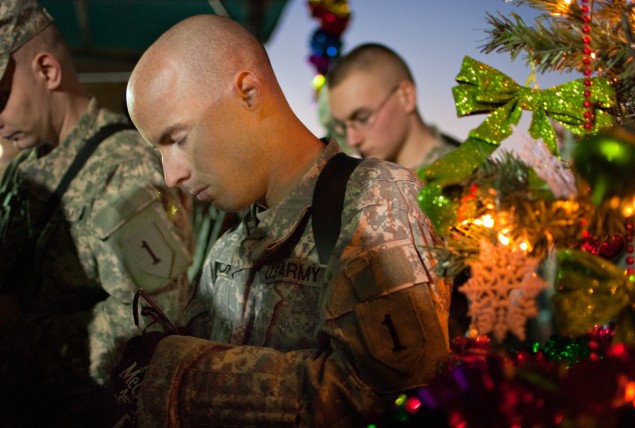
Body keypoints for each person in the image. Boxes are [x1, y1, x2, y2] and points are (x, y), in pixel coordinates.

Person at [121, 13, 452, 427]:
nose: (172, 174)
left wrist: (184, 376)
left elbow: (401, 395)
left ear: (247, 92)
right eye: (160, 151)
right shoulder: (228, 246)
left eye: (178, 139)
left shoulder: (374, 199)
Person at [0, 1, 194, 426]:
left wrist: (17, 338)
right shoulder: (21, 169)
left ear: (47, 71)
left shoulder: (125, 166)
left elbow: (153, 322)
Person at [326, 42, 459, 169]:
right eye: (343, 126)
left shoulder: (465, 181)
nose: (352, 141)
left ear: (406, 96)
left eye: (362, 118)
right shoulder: (376, 184)